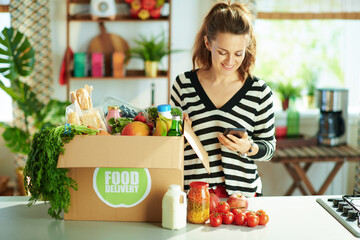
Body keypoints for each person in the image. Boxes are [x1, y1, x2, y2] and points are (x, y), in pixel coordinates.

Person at [170, 1, 276, 198]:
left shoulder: (260, 93)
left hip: (242, 199)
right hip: (194, 194)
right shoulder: (183, 85)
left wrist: (249, 147)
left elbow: (268, 149)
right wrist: (178, 131)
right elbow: (170, 145)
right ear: (208, 43)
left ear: (247, 47)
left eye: (238, 53)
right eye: (222, 52)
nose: (230, 61)